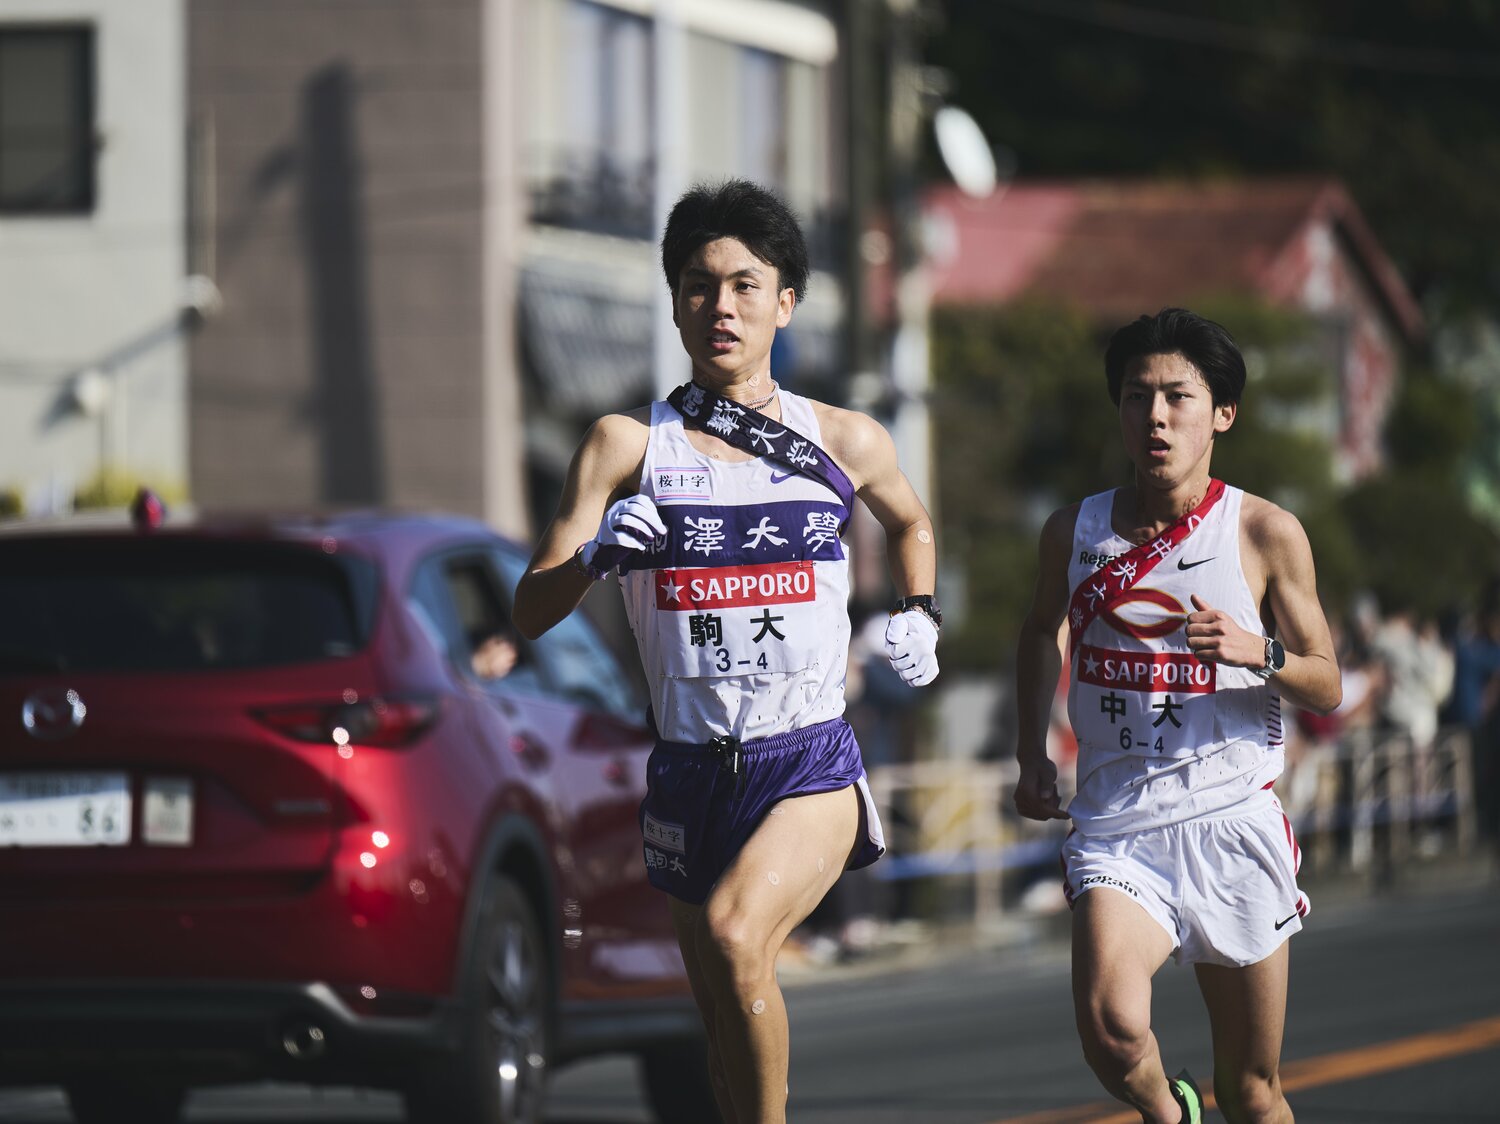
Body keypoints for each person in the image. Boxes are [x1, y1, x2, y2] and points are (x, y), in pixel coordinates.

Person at [513, 178, 940, 1124]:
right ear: (673, 302)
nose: (723, 307)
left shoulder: (845, 439)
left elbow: (912, 521)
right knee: (718, 1022)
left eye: (747, 286)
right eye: (700, 286)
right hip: (690, 772)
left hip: (808, 761)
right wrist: (592, 557)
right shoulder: (626, 447)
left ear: (785, 303)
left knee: (736, 934)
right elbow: (530, 609)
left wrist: (920, 612)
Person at [1012, 308, 1341, 1124]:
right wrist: (1030, 755)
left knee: (1255, 1092)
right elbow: (1039, 632)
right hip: (1119, 825)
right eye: (1136, 397)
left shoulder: (1264, 531)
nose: (1155, 416)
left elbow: (1328, 683)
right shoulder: (1073, 531)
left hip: (1230, 819)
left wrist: (1254, 650)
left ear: (1221, 413)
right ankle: (1171, 1113)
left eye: (1177, 397)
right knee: (1113, 1029)